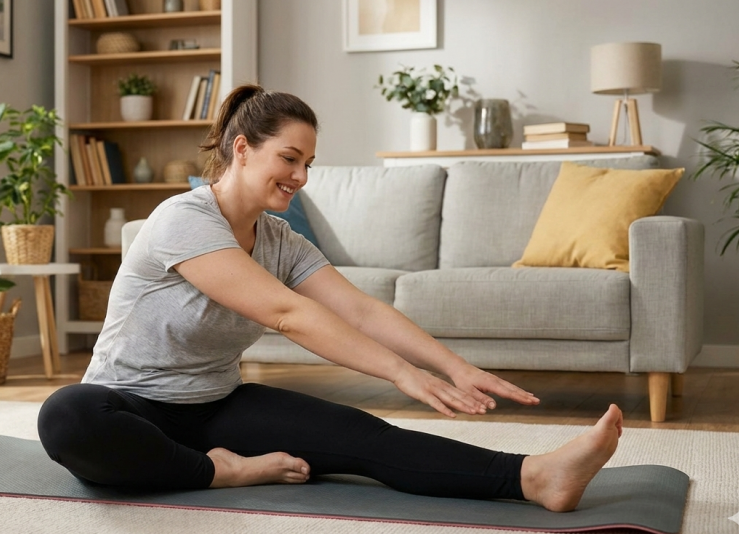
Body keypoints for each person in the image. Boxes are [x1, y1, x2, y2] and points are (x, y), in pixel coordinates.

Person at [38, 84, 623, 512]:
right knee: (67, 416)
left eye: (308, 163)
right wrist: (401, 373)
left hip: (215, 406)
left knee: (368, 438)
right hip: (128, 407)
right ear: (241, 149)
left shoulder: (280, 240)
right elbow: (285, 314)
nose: (301, 176)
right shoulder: (183, 219)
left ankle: (535, 477)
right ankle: (220, 472)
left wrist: (453, 366)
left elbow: (361, 309)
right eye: (289, 158)